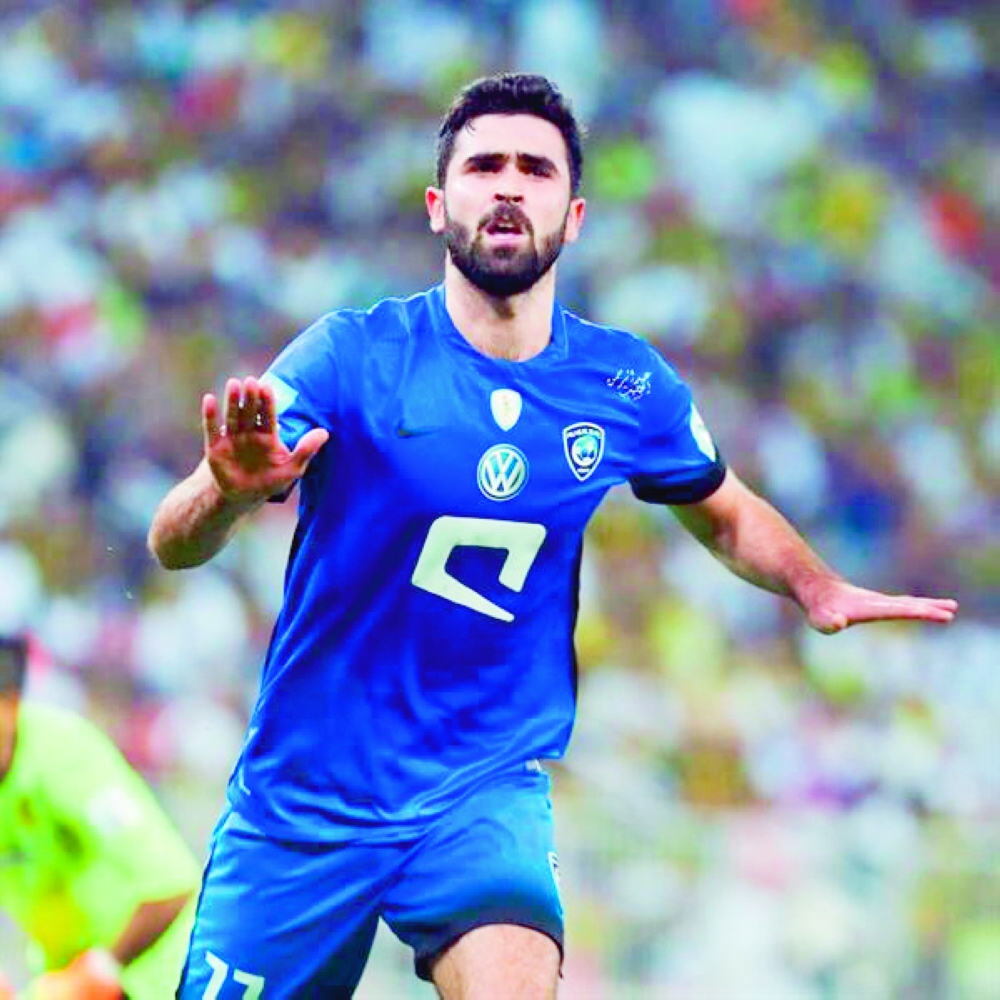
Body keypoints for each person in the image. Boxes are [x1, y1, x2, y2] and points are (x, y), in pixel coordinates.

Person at [147, 73, 957, 998]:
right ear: (437, 206)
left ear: (572, 218)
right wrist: (224, 491)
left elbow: (725, 509)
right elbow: (172, 545)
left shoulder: (623, 385)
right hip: (308, 797)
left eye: (534, 170)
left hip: (478, 792)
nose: (507, 186)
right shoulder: (351, 356)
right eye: (483, 166)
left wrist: (814, 584)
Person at [0, 635, 200, 999]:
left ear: (10, 703)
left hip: (155, 977)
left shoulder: (64, 755)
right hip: (62, 978)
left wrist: (97, 972)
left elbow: (170, 885)